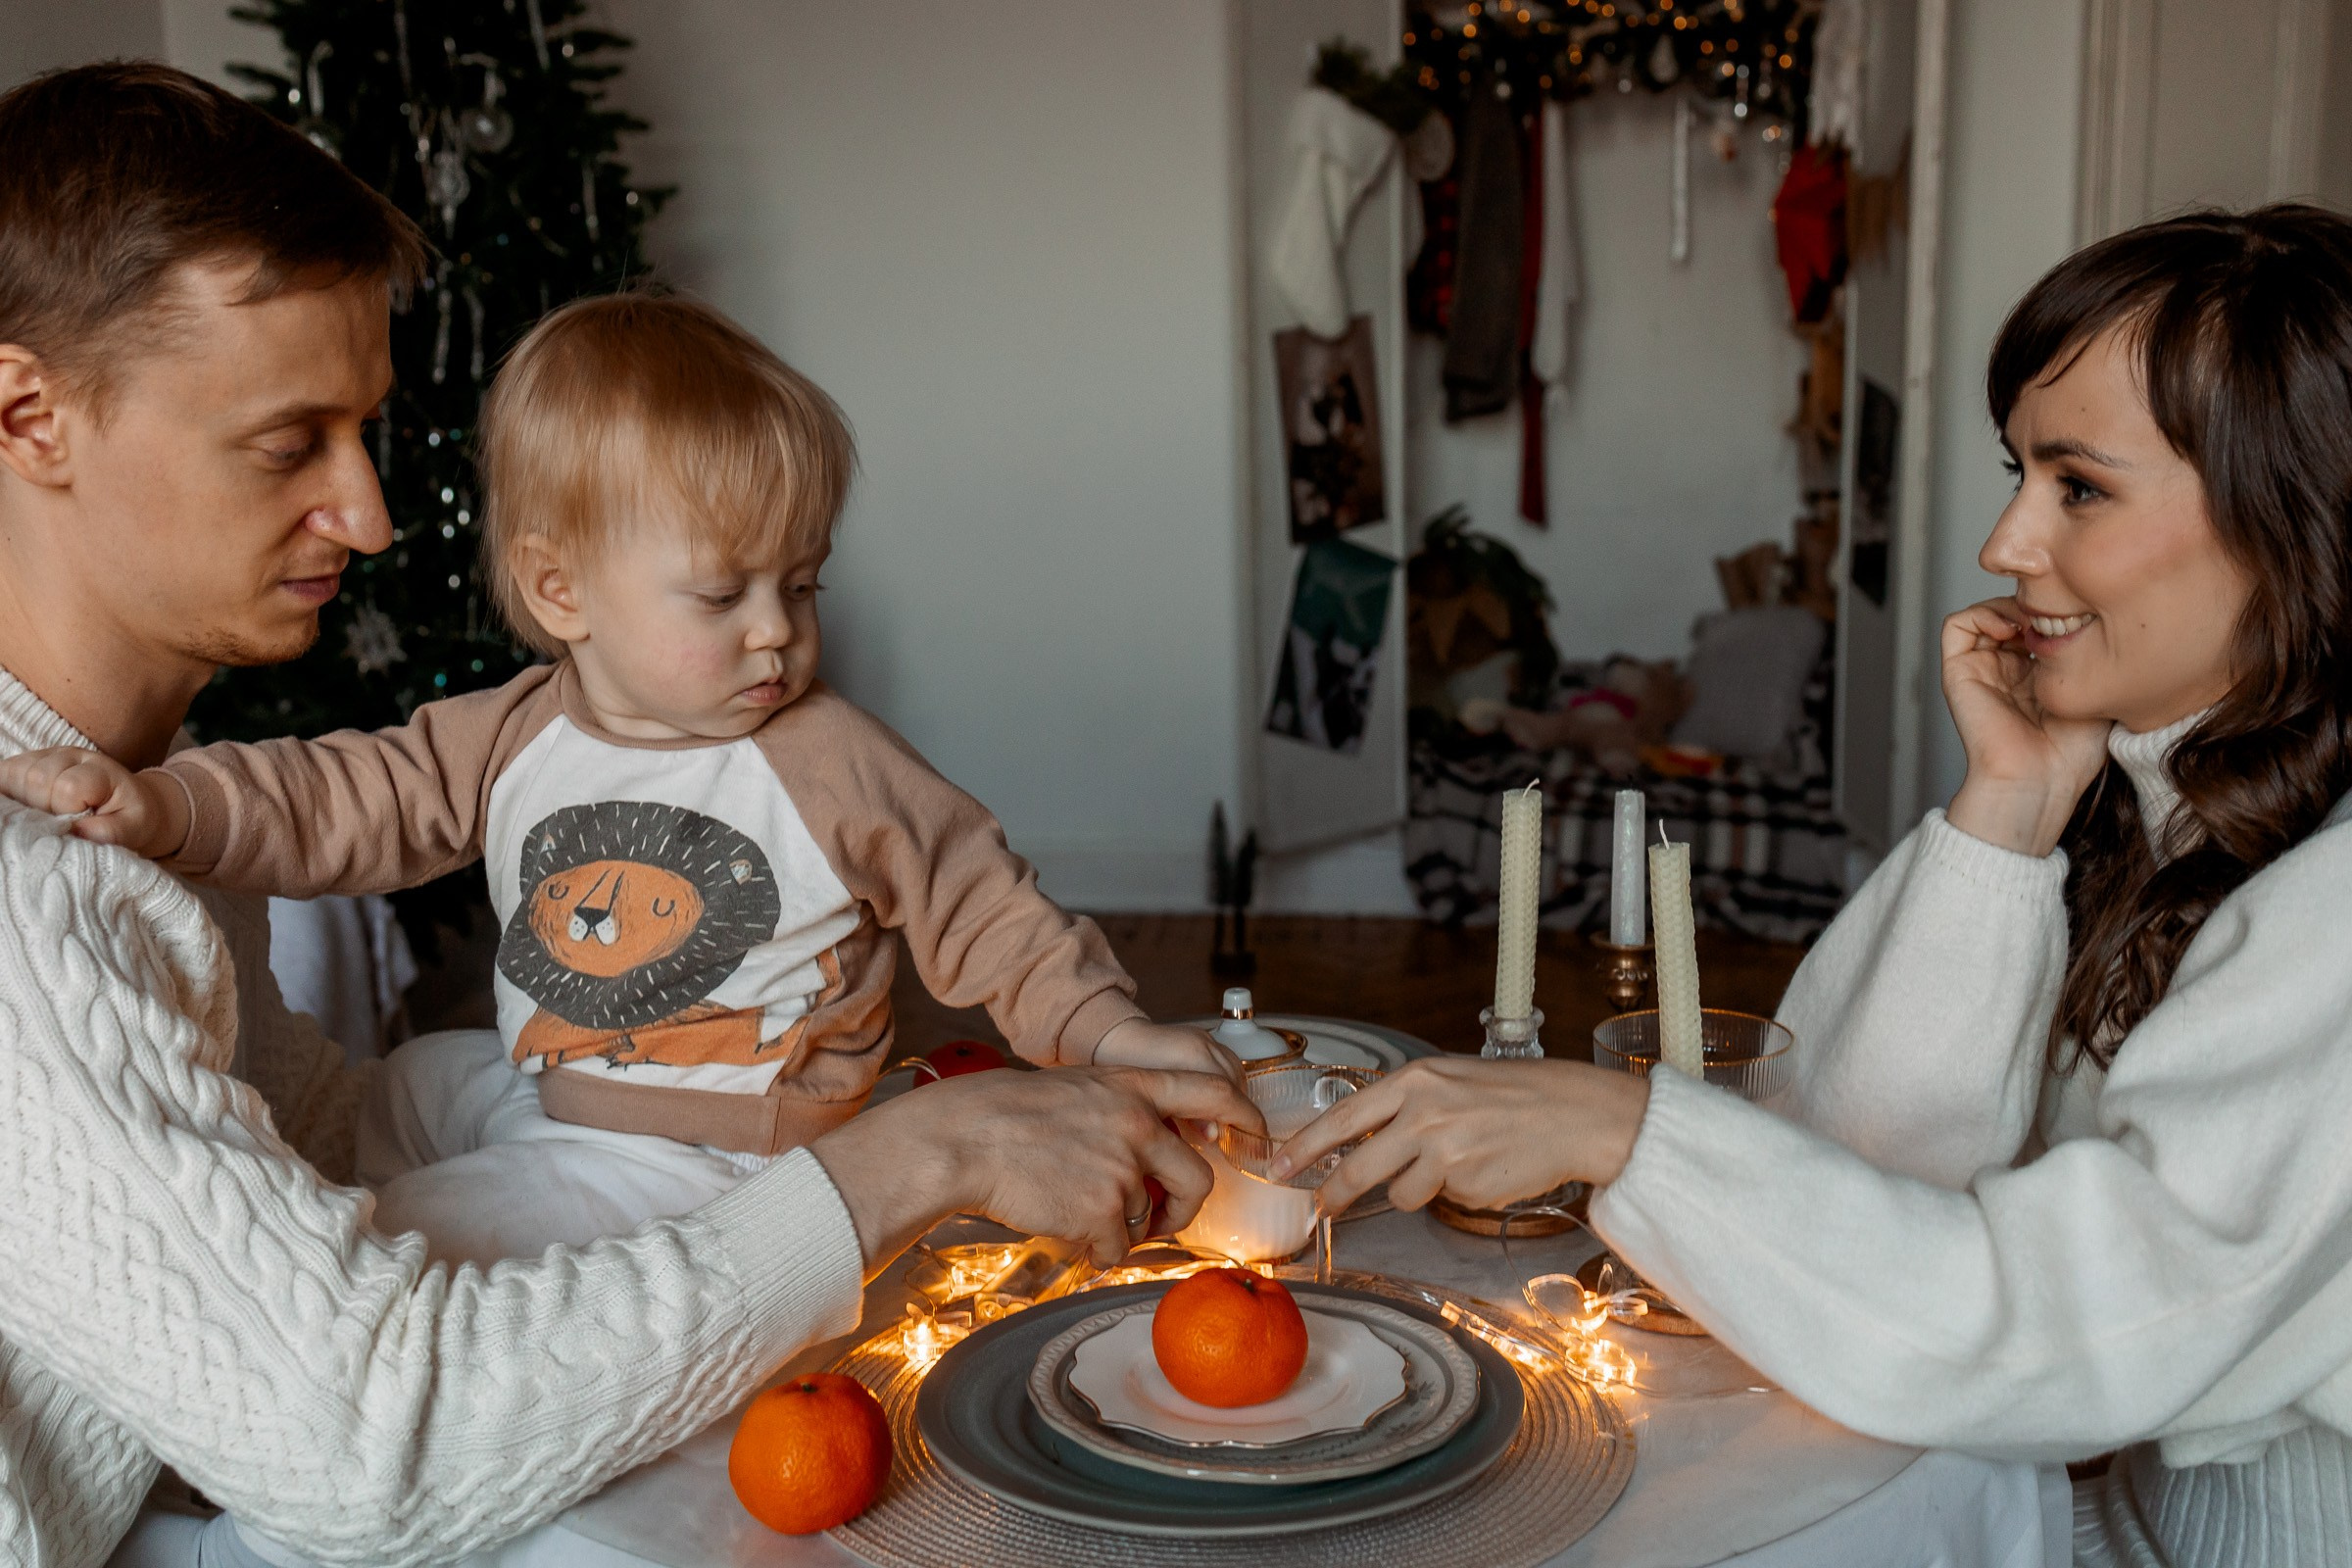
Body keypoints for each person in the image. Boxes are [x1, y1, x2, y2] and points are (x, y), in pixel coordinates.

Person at [0, 62, 1255, 1568]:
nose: (375, 517)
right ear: (27, 412)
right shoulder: (40, 886)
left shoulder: (135, 811)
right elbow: (374, 1444)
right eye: (287, 444)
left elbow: (269, 1161)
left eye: (366, 432)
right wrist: (914, 1160)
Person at [1279, 204, 2352, 1567]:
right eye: (2018, 472)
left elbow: (2047, 1335)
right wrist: (2008, 809)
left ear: (2293, 517)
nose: (2006, 544)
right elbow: (1852, 1157)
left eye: (2077, 486)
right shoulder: (2162, 807)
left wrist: (1621, 1129)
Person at [0, 288, 1242, 1266]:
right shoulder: (517, 730)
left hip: (717, 1159)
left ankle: (376, 1285)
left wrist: (1108, 1029)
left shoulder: (822, 756)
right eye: (724, 594)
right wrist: (165, 804)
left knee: (417, 1237)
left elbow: (986, 906)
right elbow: (343, 799)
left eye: (801, 584)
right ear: (561, 593)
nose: (777, 632)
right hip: (568, 1090)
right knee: (420, 1080)